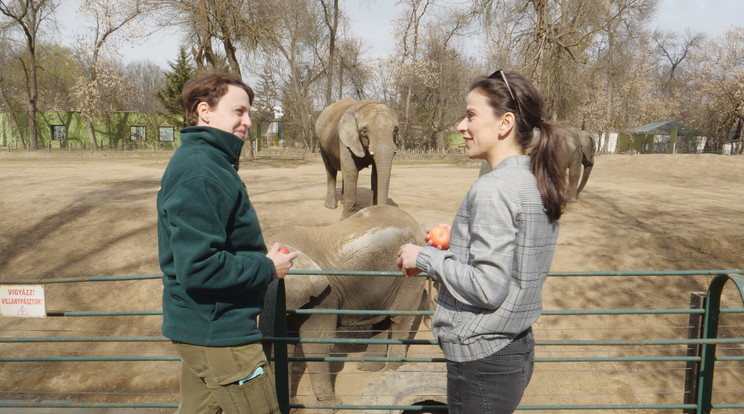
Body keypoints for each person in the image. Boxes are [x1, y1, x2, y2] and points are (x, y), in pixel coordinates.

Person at [396, 69, 566, 414]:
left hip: (482, 357)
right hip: (515, 346)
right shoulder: (535, 180)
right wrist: (461, 241)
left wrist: (425, 258)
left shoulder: (493, 188)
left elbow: (489, 288)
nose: (461, 126)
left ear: (504, 124)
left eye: (471, 115)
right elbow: (514, 256)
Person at [157, 71, 297, 414]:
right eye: (239, 111)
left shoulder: (208, 162)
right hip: (221, 335)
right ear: (204, 111)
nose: (248, 121)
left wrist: (257, 257)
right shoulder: (201, 171)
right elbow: (199, 267)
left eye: (248, 112)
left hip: (203, 328)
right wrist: (267, 267)